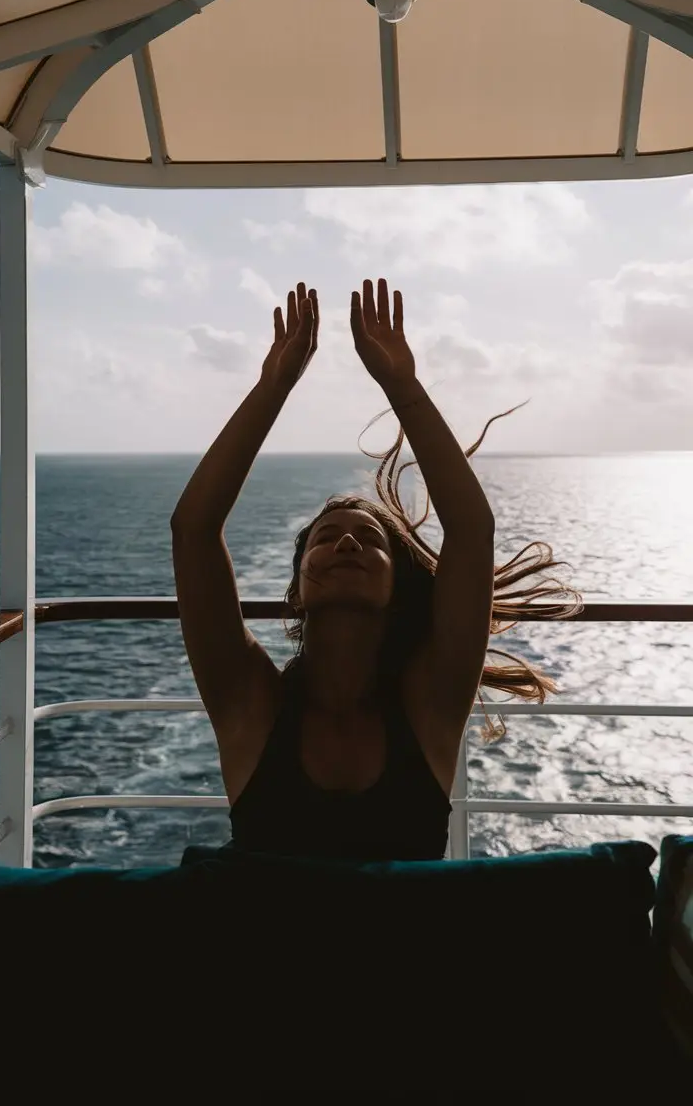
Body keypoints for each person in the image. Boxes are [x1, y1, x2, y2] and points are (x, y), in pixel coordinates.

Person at [172, 278, 581, 860]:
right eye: (327, 538)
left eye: (369, 540)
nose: (346, 546)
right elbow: (193, 533)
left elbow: (470, 534)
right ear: (296, 589)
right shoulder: (252, 703)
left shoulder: (428, 703)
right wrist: (273, 386)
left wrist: (401, 383)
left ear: (397, 584)